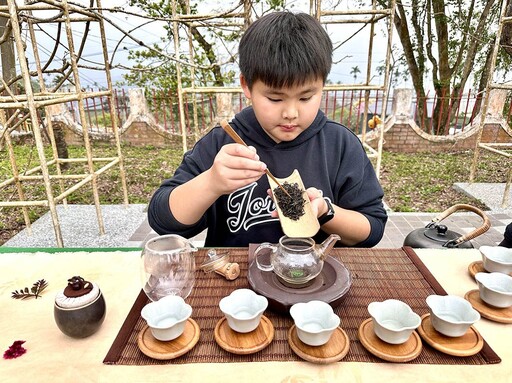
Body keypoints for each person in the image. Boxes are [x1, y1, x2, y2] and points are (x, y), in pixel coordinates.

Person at [148, 11, 388, 247]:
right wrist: (211, 183)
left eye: (306, 98)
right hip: (237, 282)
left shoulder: (339, 144)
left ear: (322, 85)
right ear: (247, 86)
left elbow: (372, 229)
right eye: (275, 98)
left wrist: (325, 211)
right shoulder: (222, 143)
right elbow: (163, 221)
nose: (291, 113)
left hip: (317, 280)